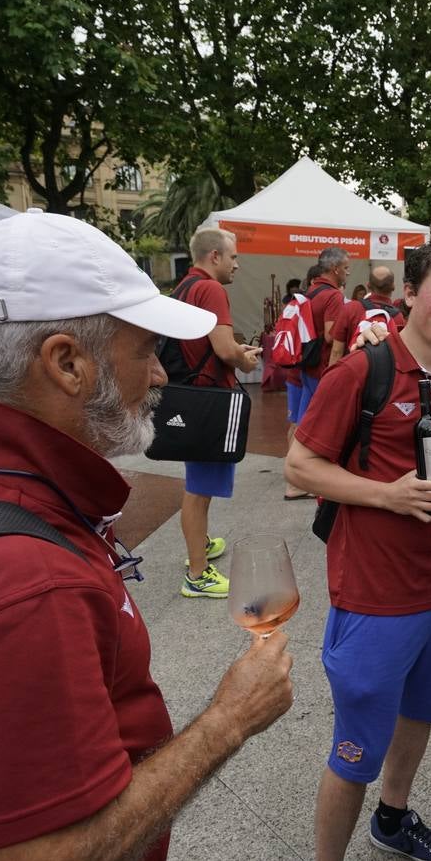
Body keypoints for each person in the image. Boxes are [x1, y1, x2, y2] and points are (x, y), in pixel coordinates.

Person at [0, 210, 293, 861]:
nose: (158, 376)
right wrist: (227, 722)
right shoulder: (26, 590)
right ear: (67, 363)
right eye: (145, 350)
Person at [285, 240, 431, 861]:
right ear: (410, 294)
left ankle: (391, 819)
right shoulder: (362, 373)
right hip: (375, 594)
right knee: (354, 749)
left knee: (421, 713)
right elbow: (301, 464)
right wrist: (384, 497)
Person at [173, 227, 263, 598]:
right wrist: (245, 358)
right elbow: (226, 352)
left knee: (199, 484)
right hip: (208, 400)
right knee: (199, 489)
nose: (237, 265)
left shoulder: (185, 287)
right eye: (234, 256)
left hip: (190, 397)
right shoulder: (210, 289)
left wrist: (232, 350)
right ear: (214, 257)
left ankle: (201, 544)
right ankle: (198, 573)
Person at [283, 268, 320, 500]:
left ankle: (292, 476)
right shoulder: (310, 304)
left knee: (296, 423)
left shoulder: (296, 303)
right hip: (303, 373)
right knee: (300, 426)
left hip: (295, 372)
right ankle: (294, 481)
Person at [301, 247, 351, 413]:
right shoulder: (334, 295)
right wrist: (348, 322)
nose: (348, 273)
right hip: (322, 367)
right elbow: (331, 336)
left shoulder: (312, 289)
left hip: (307, 364)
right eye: (346, 268)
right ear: (335, 269)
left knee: (302, 421)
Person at [329, 265, 405, 365]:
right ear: (393, 287)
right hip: (382, 376)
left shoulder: (350, 308)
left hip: (351, 372)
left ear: (368, 285)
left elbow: (336, 351)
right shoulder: (398, 317)